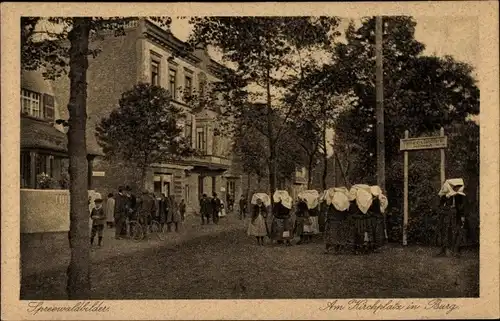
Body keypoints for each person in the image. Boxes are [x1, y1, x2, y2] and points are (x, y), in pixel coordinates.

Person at [322, 188, 351, 254]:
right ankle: (337, 249)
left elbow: (327, 207)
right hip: (341, 220)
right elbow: (346, 212)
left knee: (331, 234)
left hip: (333, 220)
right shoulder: (344, 201)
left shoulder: (332, 202)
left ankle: (328, 248)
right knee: (339, 235)